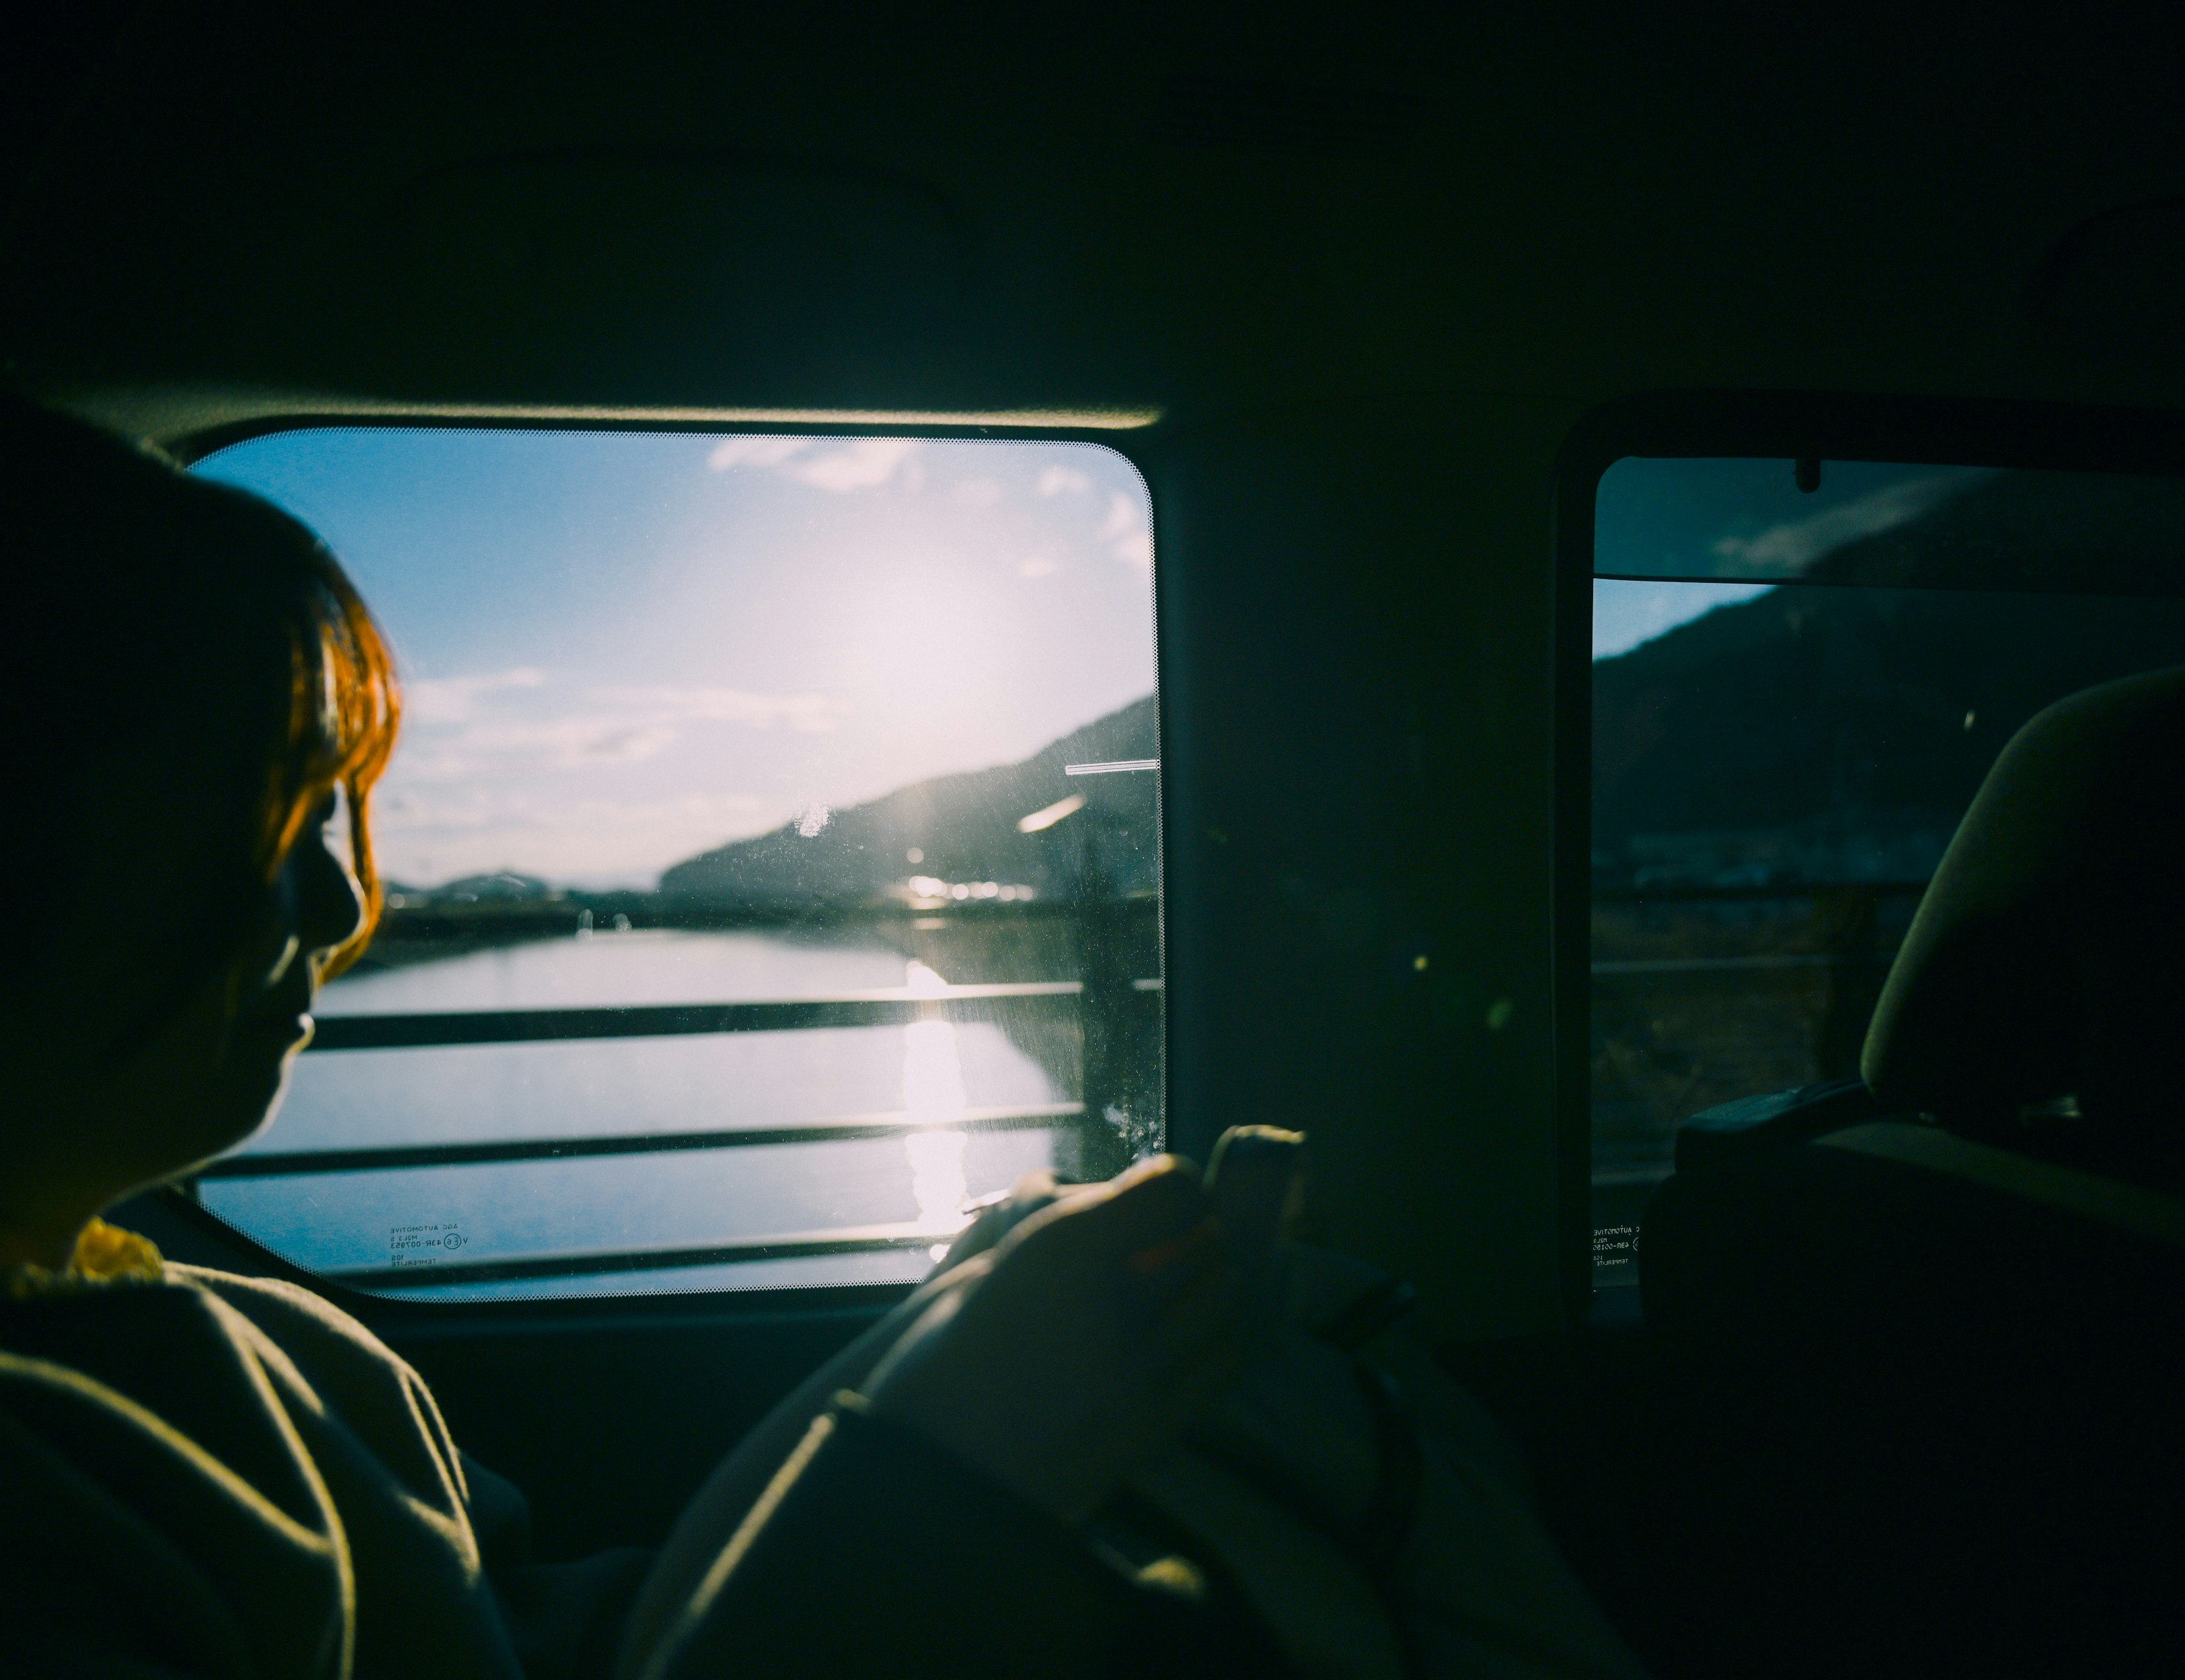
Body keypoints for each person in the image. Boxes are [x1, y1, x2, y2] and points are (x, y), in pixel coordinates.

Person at [0, 397, 1263, 1679]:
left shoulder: (242, 1333)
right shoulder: (51, 1508)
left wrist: (926, 1350)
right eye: (255, 814)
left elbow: (577, 1643)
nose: (335, 907)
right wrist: (942, 1463)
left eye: (326, 819)